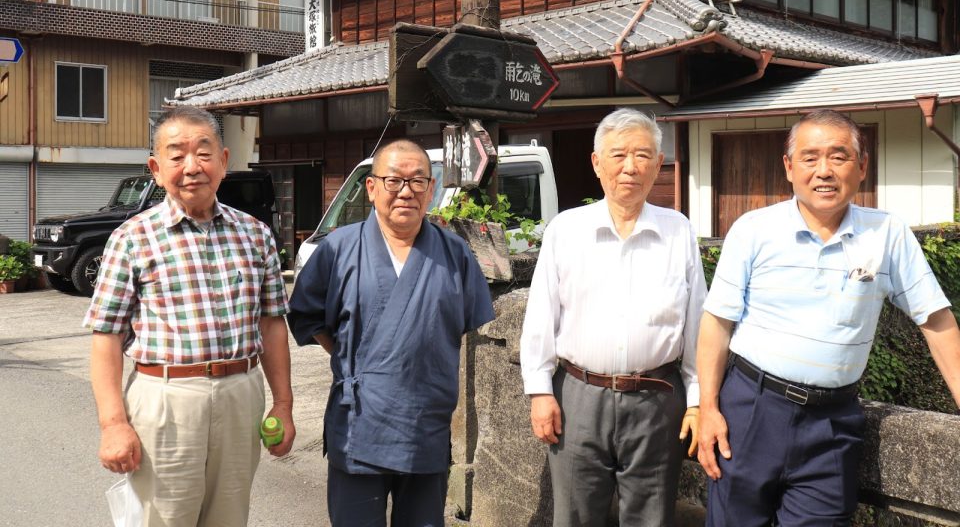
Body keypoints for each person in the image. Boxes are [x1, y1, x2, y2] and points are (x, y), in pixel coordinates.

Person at [697, 109, 960, 526]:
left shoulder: (887, 233)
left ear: (862, 167)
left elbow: (937, 321)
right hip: (750, 411)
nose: (824, 171)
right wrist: (706, 407)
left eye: (838, 157)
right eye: (810, 157)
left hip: (833, 422)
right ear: (788, 167)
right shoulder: (752, 230)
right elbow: (717, 323)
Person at [84, 106, 295, 527]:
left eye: (203, 152)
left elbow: (272, 324)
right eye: (176, 155)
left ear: (224, 161)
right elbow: (106, 337)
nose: (191, 166)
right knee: (164, 519)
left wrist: (284, 405)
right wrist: (113, 425)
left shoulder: (255, 235)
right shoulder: (132, 239)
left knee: (230, 517)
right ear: (156, 169)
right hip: (165, 399)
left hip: (241, 393)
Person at [287, 139, 495, 527]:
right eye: (394, 180)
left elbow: (468, 319)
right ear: (371, 188)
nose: (406, 191)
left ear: (431, 190)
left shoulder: (455, 254)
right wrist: (352, 356)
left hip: (425, 424)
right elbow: (307, 315)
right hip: (358, 424)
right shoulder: (337, 250)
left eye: (418, 182)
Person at [520, 107, 706, 526]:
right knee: (576, 515)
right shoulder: (566, 229)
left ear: (658, 165)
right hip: (578, 396)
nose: (630, 167)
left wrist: (696, 401)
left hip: (658, 397)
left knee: (651, 516)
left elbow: (697, 325)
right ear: (596, 163)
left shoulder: (678, 231)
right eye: (618, 155)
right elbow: (541, 317)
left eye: (642, 156)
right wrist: (540, 391)